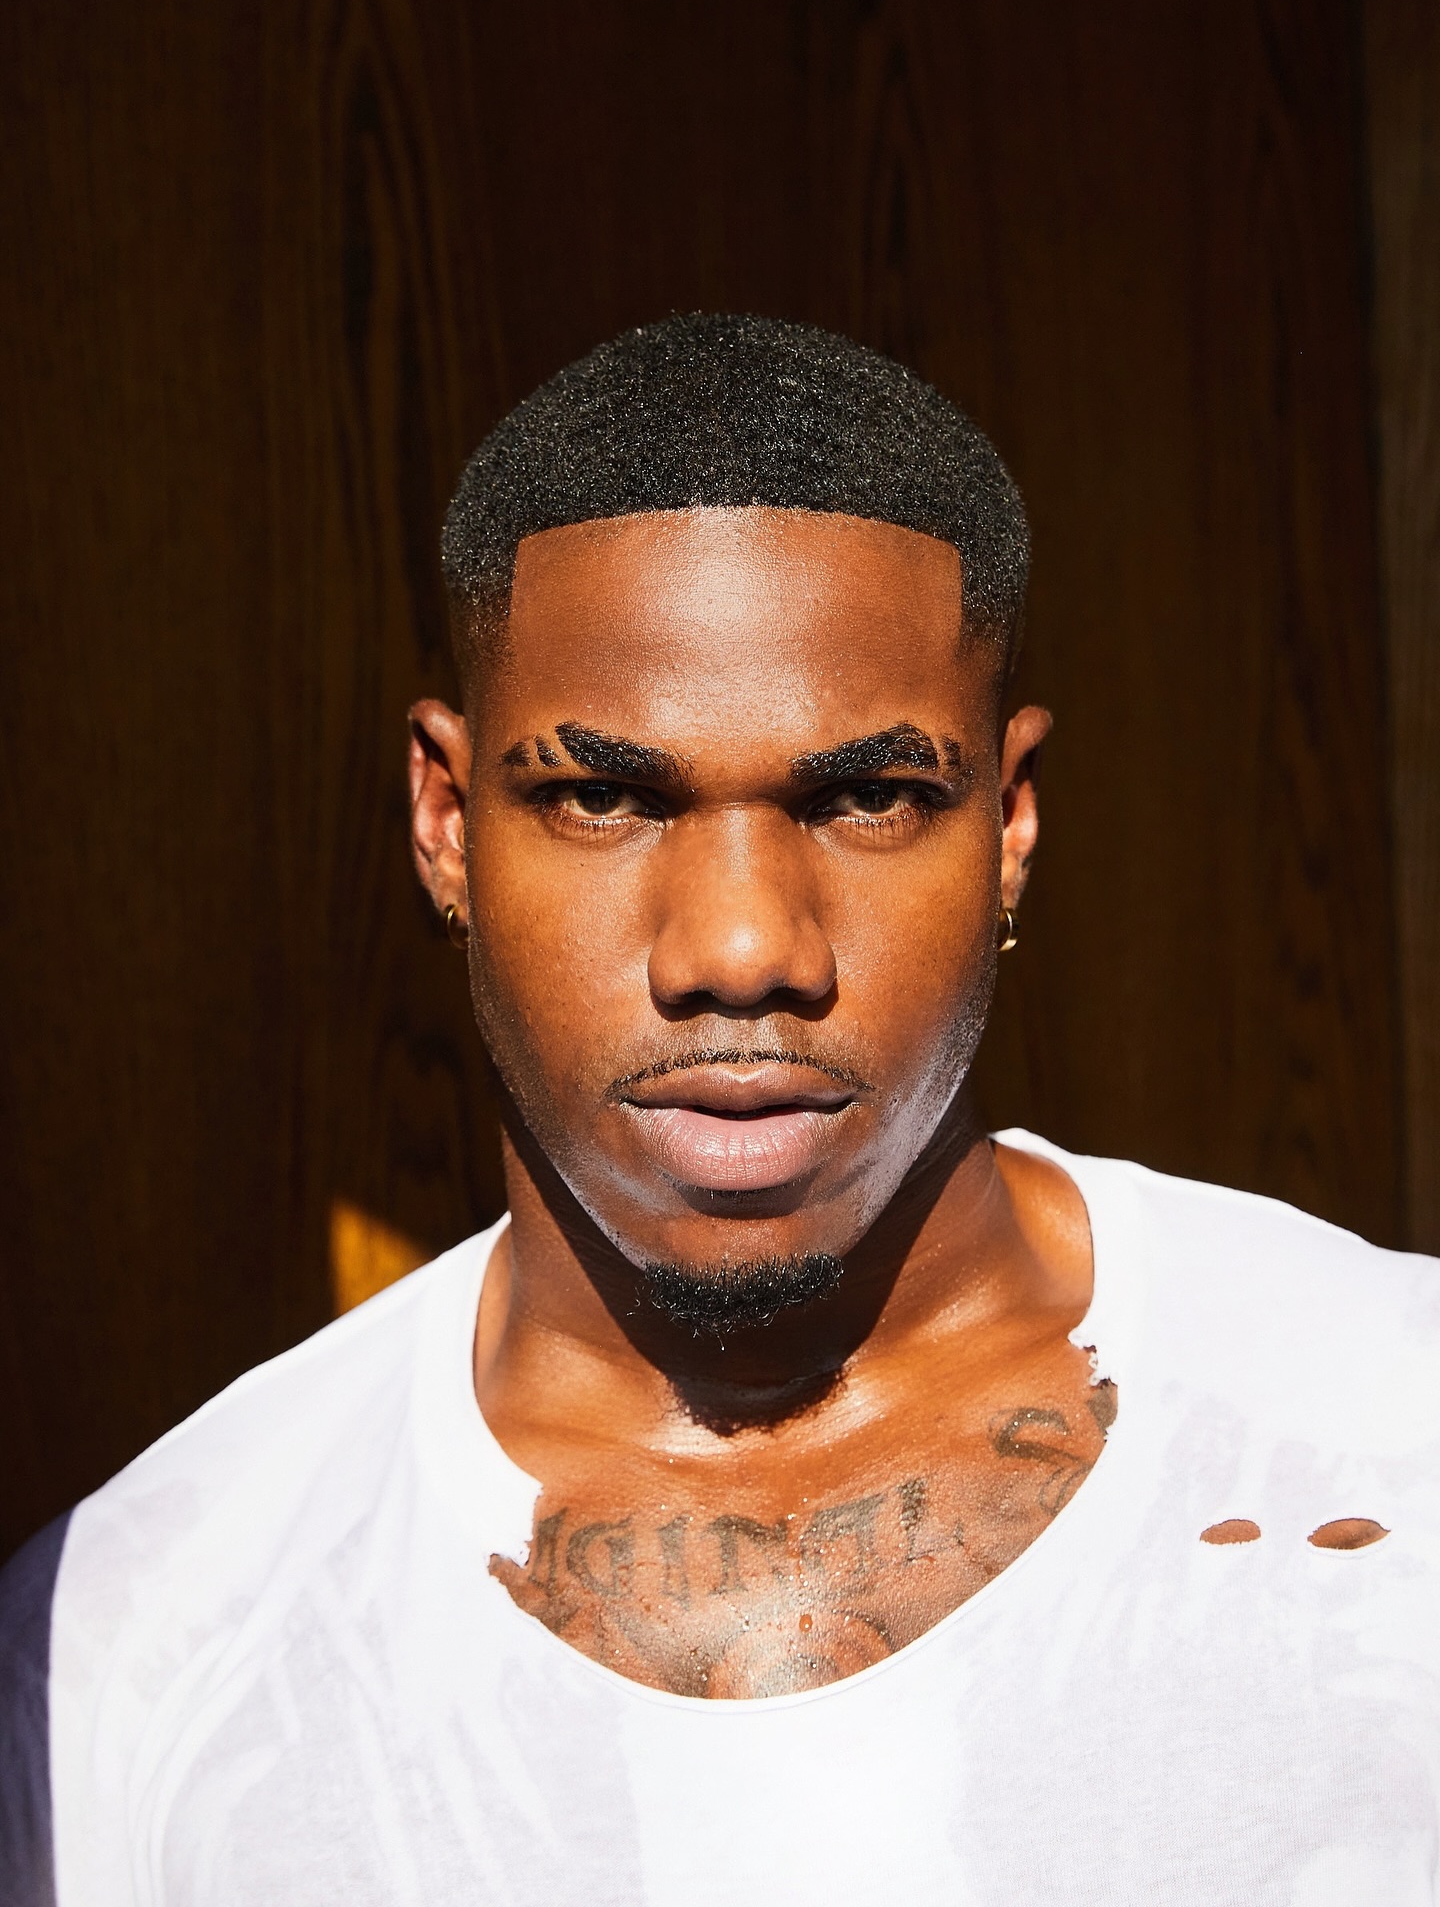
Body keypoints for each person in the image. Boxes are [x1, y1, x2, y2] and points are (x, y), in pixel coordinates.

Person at [2, 315, 1437, 1906]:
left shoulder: (1397, 1439)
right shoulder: (130, 1656)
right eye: (604, 798)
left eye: (869, 798)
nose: (743, 949)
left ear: (1010, 827)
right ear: (446, 820)